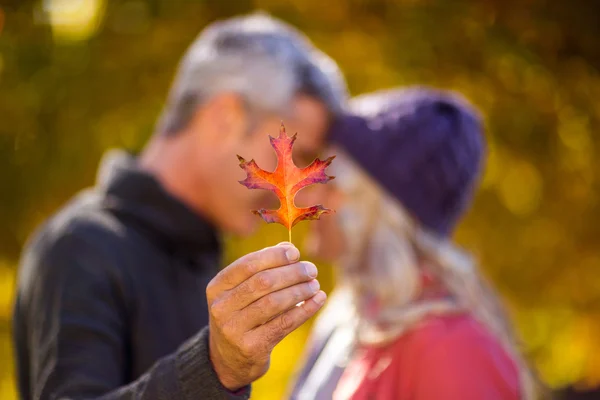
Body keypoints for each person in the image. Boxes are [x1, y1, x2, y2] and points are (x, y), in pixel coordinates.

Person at [13, 13, 346, 400]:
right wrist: (214, 368)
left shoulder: (201, 253)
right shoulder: (79, 248)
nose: (294, 191)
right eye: (295, 153)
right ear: (226, 118)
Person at [288, 87, 537, 399]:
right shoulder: (349, 315)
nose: (306, 195)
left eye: (326, 180)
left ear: (377, 207)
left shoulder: (453, 349)